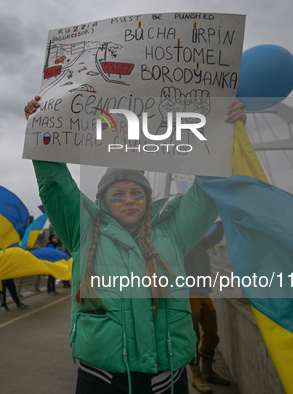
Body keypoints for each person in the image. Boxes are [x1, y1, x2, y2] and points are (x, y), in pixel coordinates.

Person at [25, 95, 246, 393]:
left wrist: (225, 133)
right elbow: (56, 184)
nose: (128, 200)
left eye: (136, 192)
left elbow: (207, 192)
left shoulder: (173, 230)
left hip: (167, 379)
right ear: (103, 201)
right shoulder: (84, 230)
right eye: (118, 194)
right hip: (101, 379)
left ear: (148, 197)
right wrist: (43, 129)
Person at [183, 221, 228, 394]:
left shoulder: (200, 242)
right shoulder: (181, 244)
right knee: (193, 336)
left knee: (211, 331)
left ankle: (208, 371)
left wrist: (222, 224)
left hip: (204, 293)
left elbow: (214, 238)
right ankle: (196, 375)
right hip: (189, 293)